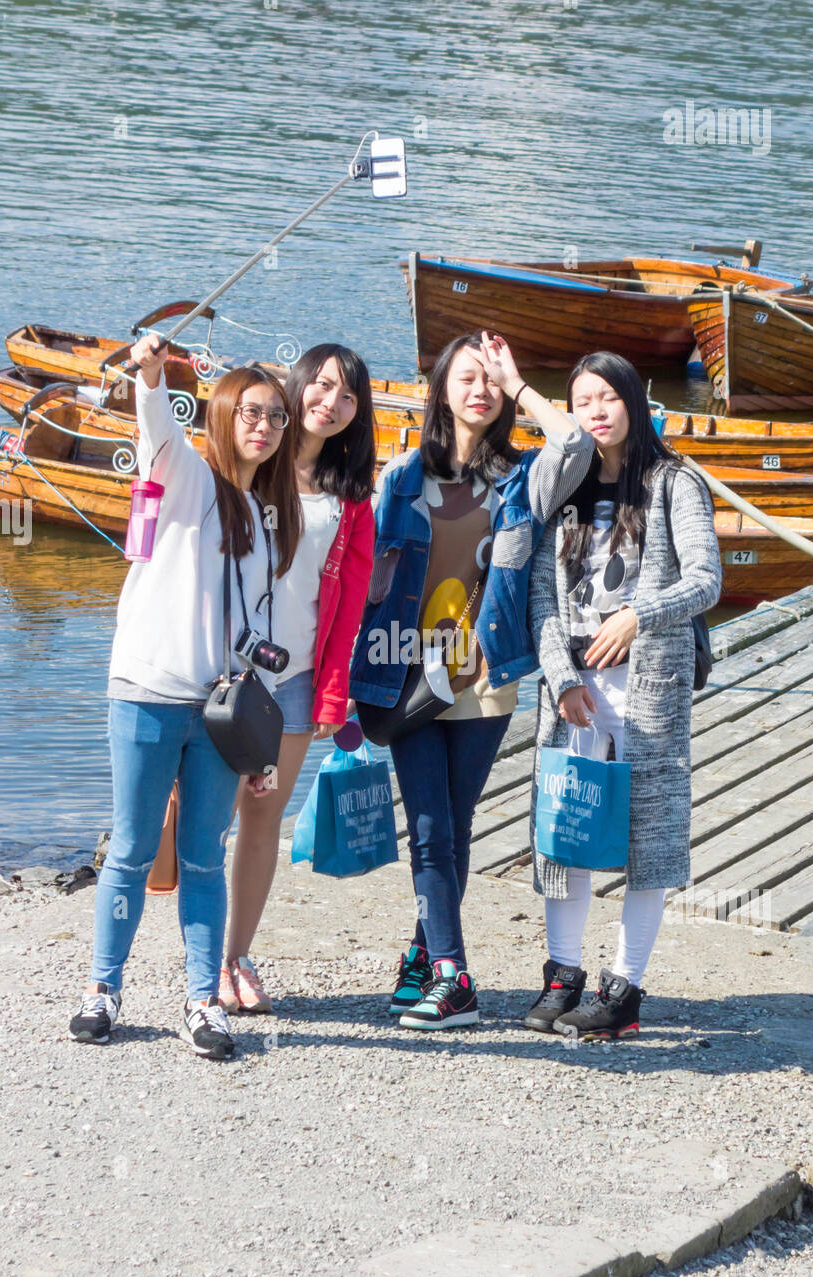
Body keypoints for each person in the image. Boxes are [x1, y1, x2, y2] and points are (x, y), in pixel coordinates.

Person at [349, 330, 594, 1030]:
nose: (480, 388)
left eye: (490, 380)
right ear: (442, 390)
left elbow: (573, 442)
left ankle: (428, 959)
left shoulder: (523, 479)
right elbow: (359, 574)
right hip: (402, 672)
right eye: (468, 376)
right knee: (427, 827)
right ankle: (454, 977)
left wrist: (520, 381)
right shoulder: (399, 480)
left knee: (453, 824)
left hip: (483, 678)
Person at [69, 334, 300, 1059]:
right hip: (144, 692)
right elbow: (157, 429)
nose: (263, 426)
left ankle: (204, 1001)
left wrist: (257, 746)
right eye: (251, 412)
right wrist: (151, 373)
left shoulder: (263, 523)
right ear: (223, 415)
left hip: (218, 715)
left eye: (277, 417)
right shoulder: (190, 478)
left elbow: (252, 636)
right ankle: (103, 990)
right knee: (133, 850)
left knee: (203, 856)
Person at [524, 350, 721, 1040]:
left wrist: (640, 615)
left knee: (649, 834)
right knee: (566, 826)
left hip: (648, 686)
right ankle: (564, 973)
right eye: (582, 401)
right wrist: (560, 679)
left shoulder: (675, 483)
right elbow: (541, 598)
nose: (596, 411)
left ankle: (624, 987)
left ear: (635, 400)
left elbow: (706, 580)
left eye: (608, 396)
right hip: (574, 689)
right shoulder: (564, 491)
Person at [221, 345, 375, 1014]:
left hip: (294, 680)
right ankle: (199, 962)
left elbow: (349, 611)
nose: (330, 403)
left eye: (347, 396)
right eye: (321, 385)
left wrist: (333, 695)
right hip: (224, 673)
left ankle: (234, 959)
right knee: (204, 816)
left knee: (262, 819)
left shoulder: (352, 500)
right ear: (297, 384)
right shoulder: (249, 465)